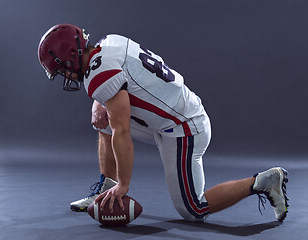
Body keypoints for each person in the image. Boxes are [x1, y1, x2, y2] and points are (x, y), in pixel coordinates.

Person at [38, 23, 289, 222]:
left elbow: (122, 130)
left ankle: (264, 182)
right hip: (168, 117)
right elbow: (116, 79)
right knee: (102, 119)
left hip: (184, 127)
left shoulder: (100, 76)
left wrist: (125, 185)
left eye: (62, 69)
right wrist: (99, 101)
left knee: (194, 209)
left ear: (72, 55)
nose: (65, 75)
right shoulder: (109, 41)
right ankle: (107, 187)